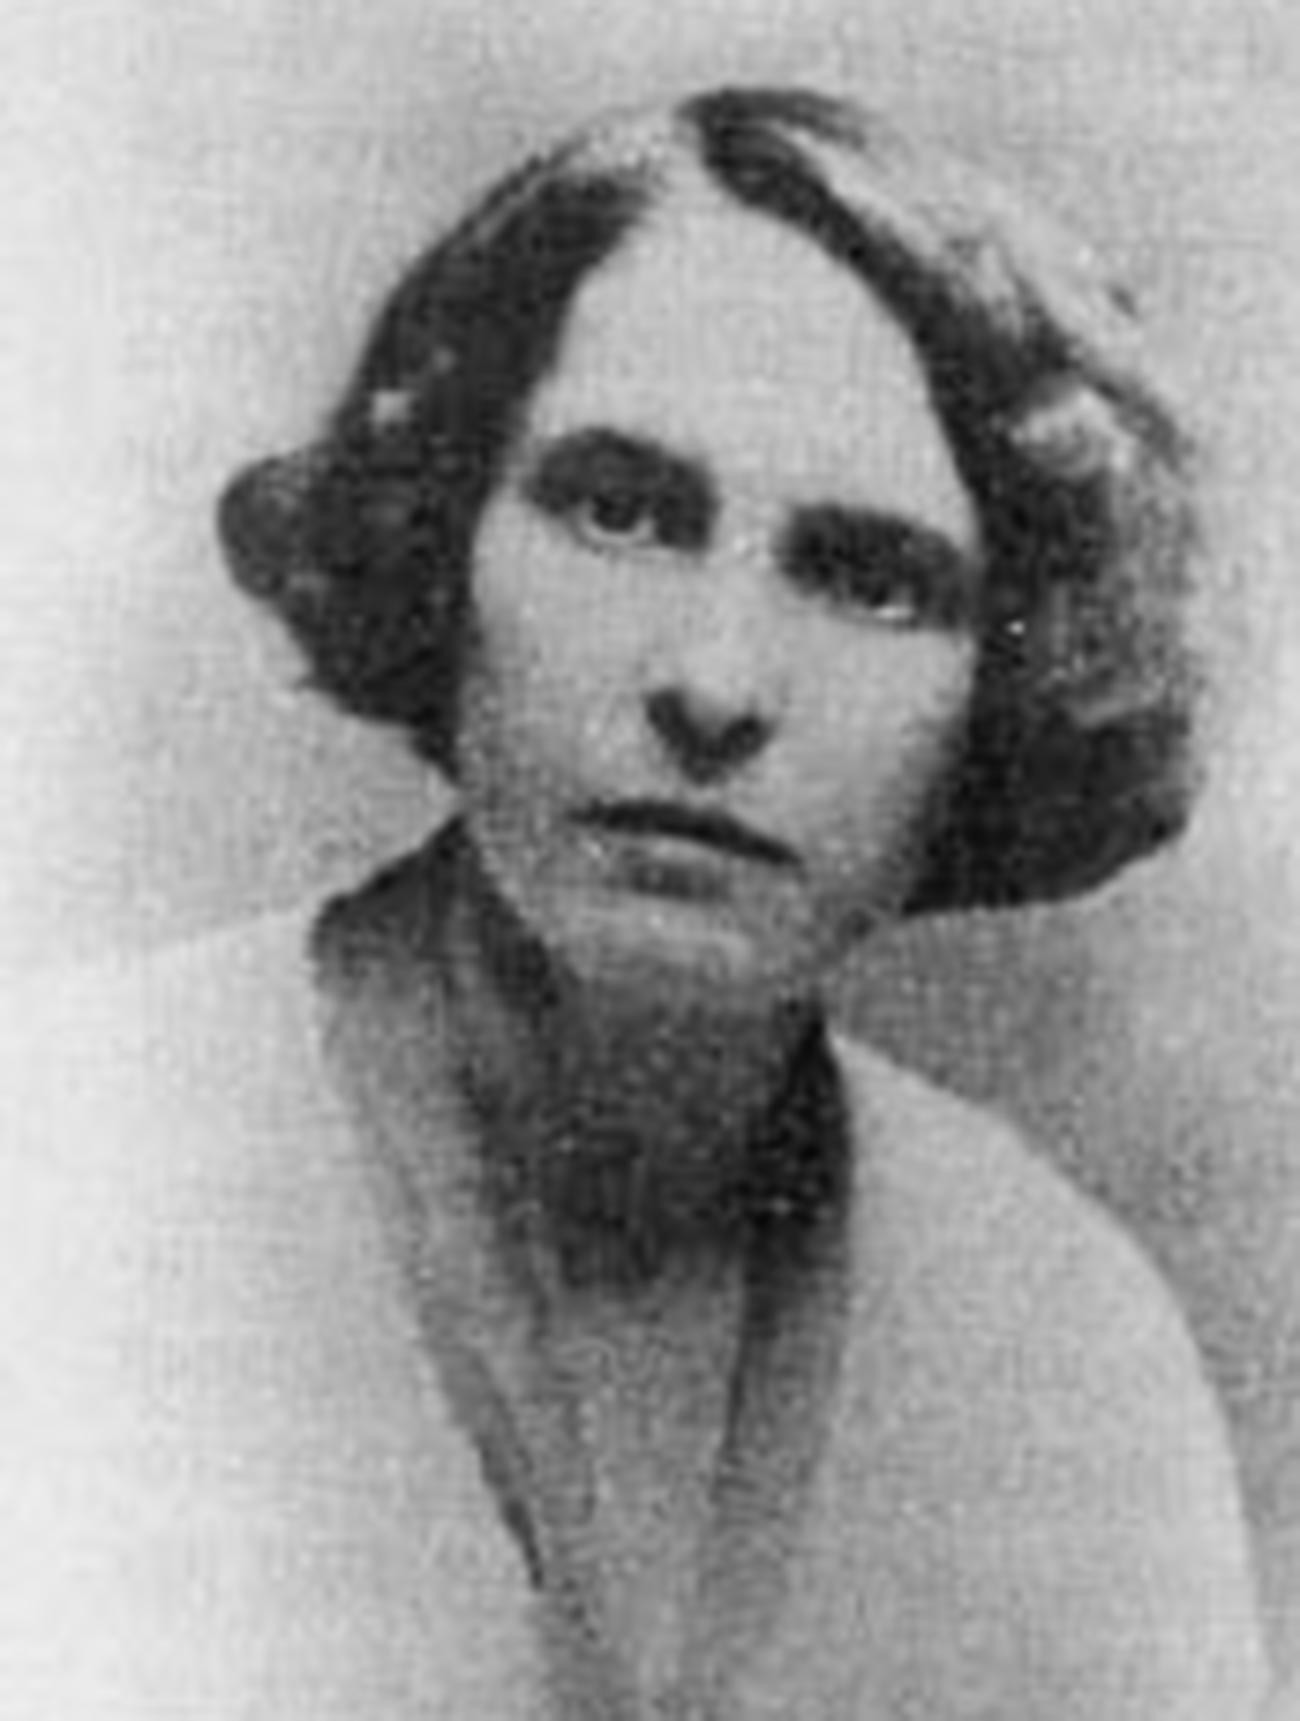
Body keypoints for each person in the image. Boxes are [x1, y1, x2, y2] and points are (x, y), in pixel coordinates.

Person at [0, 85, 1269, 1719]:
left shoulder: (1065, 1354)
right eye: (618, 508)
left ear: (1008, 686)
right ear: (442, 537)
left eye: (869, 577)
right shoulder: (65, 1168)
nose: (715, 682)